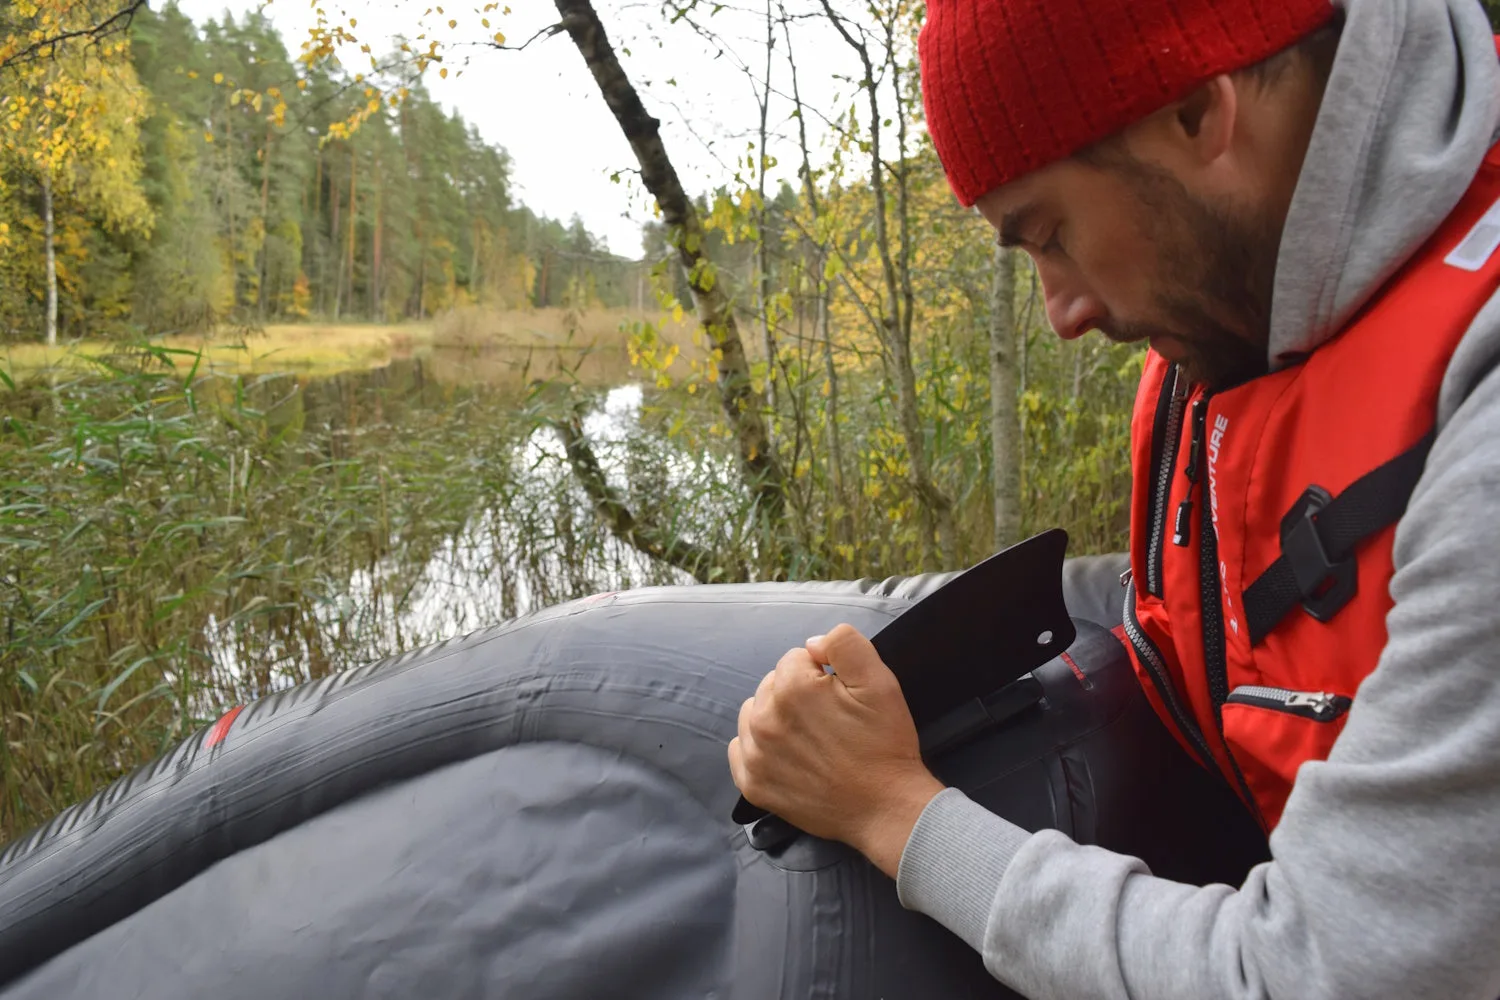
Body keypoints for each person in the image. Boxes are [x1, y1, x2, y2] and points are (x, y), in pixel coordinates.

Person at [727, 0, 1500, 996]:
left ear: (1196, 113)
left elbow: (1314, 972)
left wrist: (893, 810)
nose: (1062, 312)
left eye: (1050, 234)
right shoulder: (1239, 304)